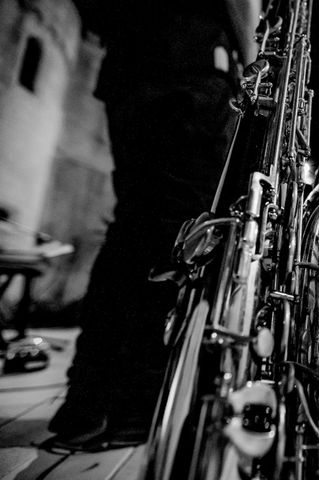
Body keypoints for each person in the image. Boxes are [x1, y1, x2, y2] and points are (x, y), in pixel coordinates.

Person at [46, 0, 260, 451]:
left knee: (132, 223)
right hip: (193, 60)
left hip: (129, 63)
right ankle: (138, 404)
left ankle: (85, 402)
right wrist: (255, 60)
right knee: (180, 233)